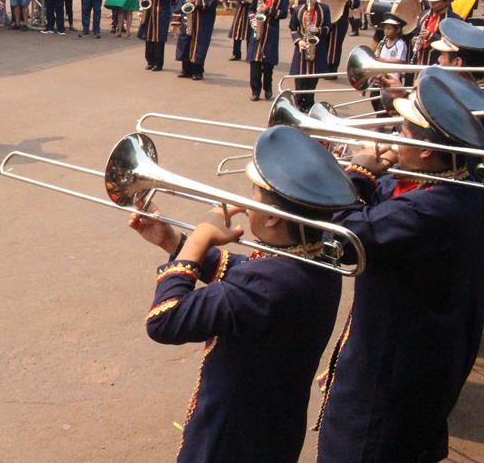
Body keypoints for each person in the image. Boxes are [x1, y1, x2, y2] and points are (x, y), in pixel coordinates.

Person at [133, 125, 355, 463]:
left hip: (231, 438)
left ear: (270, 217)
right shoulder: (314, 257)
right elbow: (244, 273)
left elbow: (165, 320)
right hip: (269, 426)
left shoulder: (269, 283)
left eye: (255, 196)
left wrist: (198, 240)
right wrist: (173, 241)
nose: (247, 203)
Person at [317, 78, 484, 462]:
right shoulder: (466, 187)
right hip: (423, 365)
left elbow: (346, 235)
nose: (396, 137)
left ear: (429, 152)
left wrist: (356, 172)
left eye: (404, 131)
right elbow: (390, 211)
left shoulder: (430, 211)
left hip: (388, 382)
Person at [246, 0, 289, 101]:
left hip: (271, 31)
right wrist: (253, 20)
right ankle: (255, 91)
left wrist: (268, 10)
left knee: (268, 64)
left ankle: (268, 88)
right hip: (257, 30)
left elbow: (283, 14)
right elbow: (252, 9)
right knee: (255, 62)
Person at [288, 0, 331, 111]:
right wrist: (299, 41)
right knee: (300, 78)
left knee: (312, 79)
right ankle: (299, 102)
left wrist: (318, 29)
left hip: (317, 48)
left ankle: (309, 103)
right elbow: (293, 27)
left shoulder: (324, 9)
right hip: (302, 48)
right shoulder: (298, 9)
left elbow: (328, 27)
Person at [176, 0, 219, 81]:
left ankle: (197, 70)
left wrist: (198, 0)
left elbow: (213, 1)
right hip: (188, 17)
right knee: (185, 41)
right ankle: (186, 69)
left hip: (203, 19)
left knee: (199, 44)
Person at [412, 0, 461, 65]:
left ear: (447, 1)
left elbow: (453, 44)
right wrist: (415, 40)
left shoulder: (454, 20)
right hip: (419, 58)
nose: (432, 3)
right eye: (431, 0)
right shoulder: (423, 15)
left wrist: (431, 36)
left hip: (437, 61)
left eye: (436, 1)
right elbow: (416, 31)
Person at [326, 0, 359, 73]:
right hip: (326, 19)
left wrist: (348, 1)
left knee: (336, 45)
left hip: (340, 20)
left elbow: (356, 4)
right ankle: (323, 68)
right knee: (324, 43)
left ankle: (332, 70)